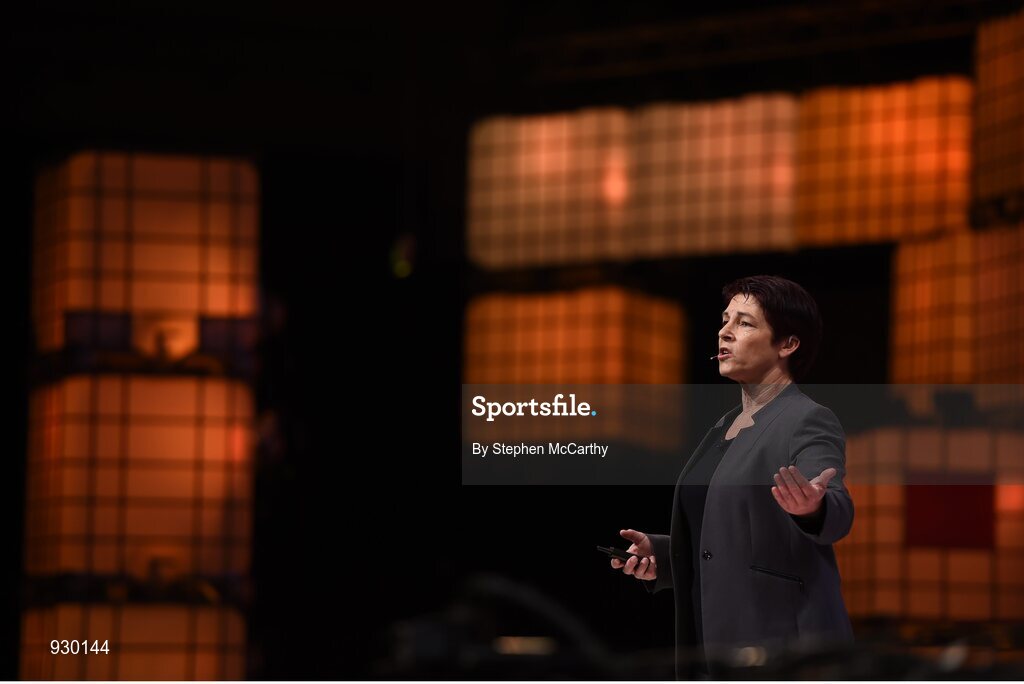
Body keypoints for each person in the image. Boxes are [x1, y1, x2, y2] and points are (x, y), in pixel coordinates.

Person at [610, 275, 854, 680]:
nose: (724, 331)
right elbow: (735, 536)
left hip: (783, 648)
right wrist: (667, 555)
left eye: (744, 323)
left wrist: (815, 507)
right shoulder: (723, 427)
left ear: (787, 344)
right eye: (725, 319)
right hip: (715, 643)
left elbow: (837, 507)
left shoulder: (806, 419)